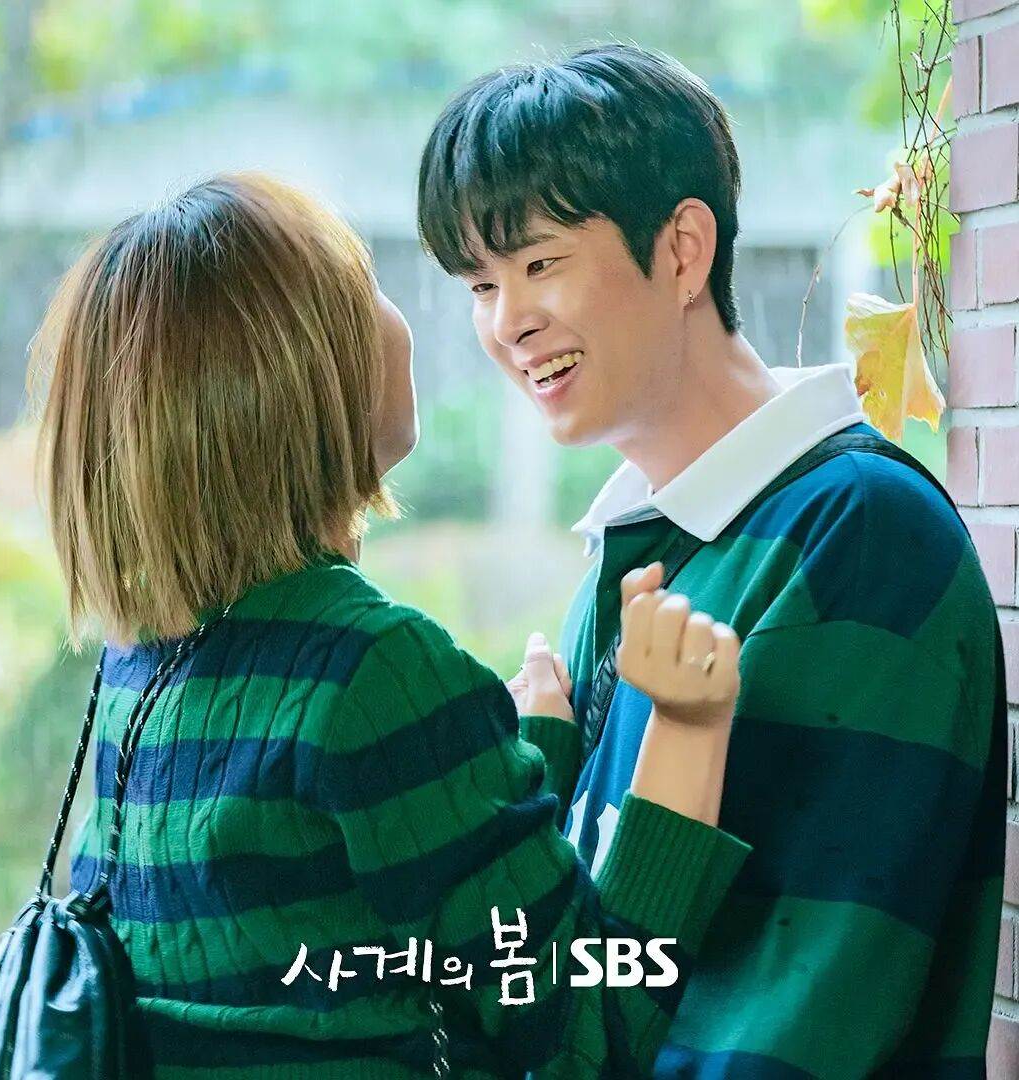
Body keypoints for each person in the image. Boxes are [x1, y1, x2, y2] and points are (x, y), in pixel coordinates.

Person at [31, 171, 750, 1079]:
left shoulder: (141, 662)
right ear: (298, 377)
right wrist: (687, 725)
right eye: (363, 284)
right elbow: (583, 1032)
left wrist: (526, 759)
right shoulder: (373, 669)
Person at [417, 43, 1006, 1078]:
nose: (508, 323)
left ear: (684, 251)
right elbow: (588, 972)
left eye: (540, 264)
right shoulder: (640, 547)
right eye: (480, 284)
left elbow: (805, 1012)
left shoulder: (859, 535)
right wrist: (543, 771)